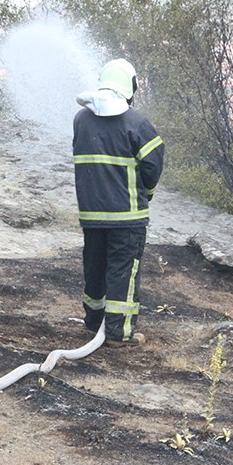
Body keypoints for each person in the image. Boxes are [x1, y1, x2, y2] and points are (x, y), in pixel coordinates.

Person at [73, 59, 164, 348]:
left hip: (92, 214)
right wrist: (146, 193)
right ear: (130, 87)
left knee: (95, 266)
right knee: (123, 271)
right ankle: (118, 332)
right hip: (127, 217)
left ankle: (94, 322)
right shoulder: (137, 124)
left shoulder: (80, 120)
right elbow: (152, 166)